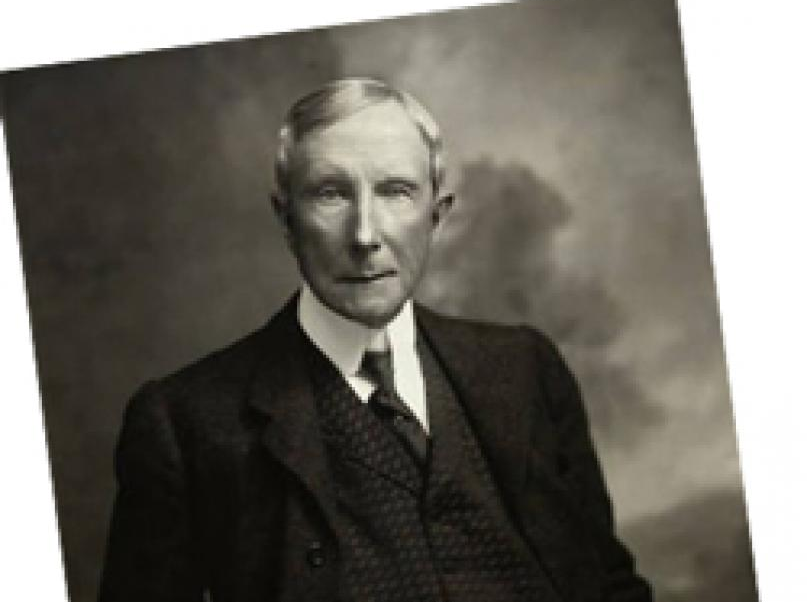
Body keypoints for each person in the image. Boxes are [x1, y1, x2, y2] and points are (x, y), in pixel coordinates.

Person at [99, 78, 652, 602]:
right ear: (286, 220)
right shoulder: (186, 423)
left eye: (395, 192)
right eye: (331, 194)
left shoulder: (526, 368)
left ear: (436, 217)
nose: (365, 235)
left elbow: (607, 583)